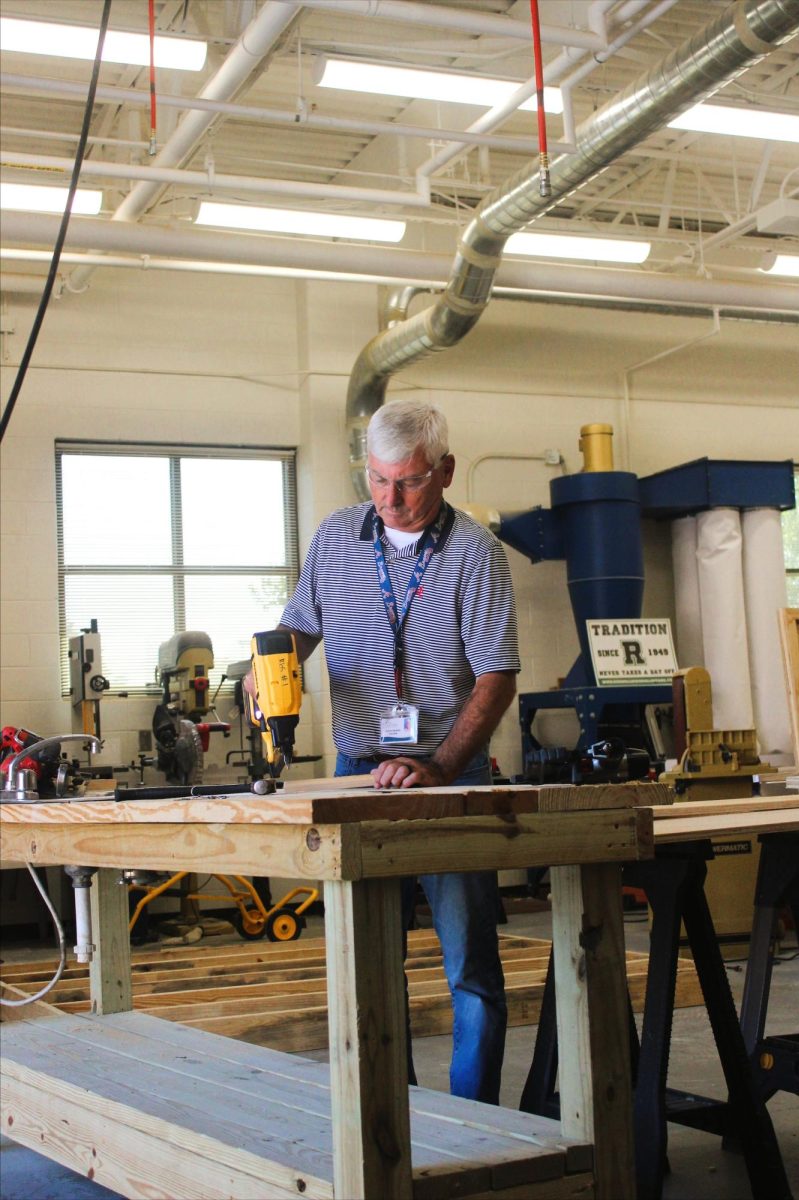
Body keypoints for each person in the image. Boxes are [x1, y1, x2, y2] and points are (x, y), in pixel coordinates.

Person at [257, 398, 520, 1104]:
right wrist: (267, 674)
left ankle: (473, 1121)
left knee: (468, 964)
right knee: (369, 963)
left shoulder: (474, 555)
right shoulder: (336, 539)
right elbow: (296, 631)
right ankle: (391, 1113)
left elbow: (496, 677)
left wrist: (439, 766)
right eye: (376, 480)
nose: (391, 499)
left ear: (445, 471)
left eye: (407, 482)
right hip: (356, 774)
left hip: (448, 773)